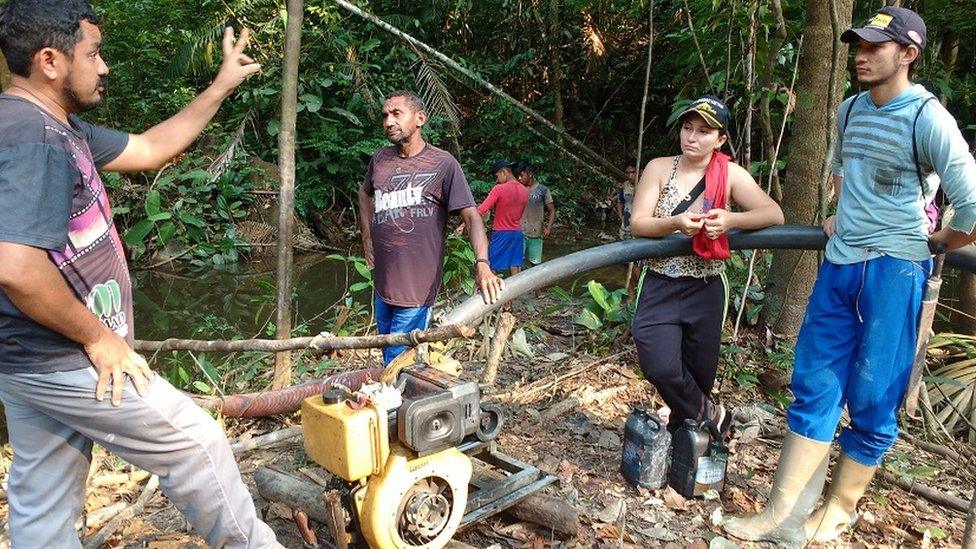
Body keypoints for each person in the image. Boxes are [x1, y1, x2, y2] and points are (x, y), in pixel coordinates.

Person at [0, 1, 280, 547]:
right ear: (51, 61)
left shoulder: (55, 127)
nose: (103, 67)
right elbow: (16, 267)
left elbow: (152, 148)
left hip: (26, 359)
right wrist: (98, 337)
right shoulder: (33, 139)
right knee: (198, 444)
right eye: (94, 54)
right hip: (66, 359)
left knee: (44, 507)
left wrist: (221, 84)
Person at [724, 7, 976, 545]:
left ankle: (836, 510)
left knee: (874, 394)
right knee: (814, 384)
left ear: (907, 54)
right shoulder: (849, 110)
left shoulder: (927, 117)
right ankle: (783, 516)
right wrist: (843, 211)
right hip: (840, 265)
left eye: (875, 47)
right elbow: (844, 174)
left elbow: (971, 198)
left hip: (895, 269)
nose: (861, 56)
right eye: (858, 46)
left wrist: (945, 242)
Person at [629, 96, 783, 434]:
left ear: (720, 140)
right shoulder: (658, 167)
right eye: (687, 128)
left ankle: (688, 446)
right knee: (660, 366)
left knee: (699, 373)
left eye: (703, 131)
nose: (692, 137)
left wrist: (731, 219)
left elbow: (773, 213)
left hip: (706, 285)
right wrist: (674, 223)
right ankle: (712, 415)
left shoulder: (729, 173)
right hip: (660, 279)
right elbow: (638, 224)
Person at [359, 91, 503, 365]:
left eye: (396, 114)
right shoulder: (379, 160)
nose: (388, 121)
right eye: (385, 115)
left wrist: (482, 263)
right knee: (387, 352)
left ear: (420, 119)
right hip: (383, 284)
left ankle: (397, 404)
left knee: (397, 361)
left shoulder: (443, 163)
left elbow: (472, 217)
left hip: (417, 289)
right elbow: (364, 194)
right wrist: (366, 236)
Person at [476, 159, 529, 276]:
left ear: (503, 172)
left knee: (490, 265)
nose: (496, 180)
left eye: (497, 176)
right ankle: (516, 294)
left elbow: (482, 209)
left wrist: (463, 224)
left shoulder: (499, 189)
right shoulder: (525, 190)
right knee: (515, 266)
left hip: (501, 233)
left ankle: (492, 292)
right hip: (517, 233)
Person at [515, 161, 555, 268]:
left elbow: (552, 211)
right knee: (517, 263)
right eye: (518, 176)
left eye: (521, 175)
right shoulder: (518, 189)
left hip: (536, 233)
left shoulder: (543, 190)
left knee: (536, 264)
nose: (519, 178)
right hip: (519, 232)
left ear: (530, 174)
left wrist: (548, 228)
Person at [616, 158, 638, 238]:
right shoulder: (625, 186)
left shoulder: (644, 185)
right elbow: (620, 202)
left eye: (633, 172)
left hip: (639, 224)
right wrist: (620, 216)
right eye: (627, 173)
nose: (630, 176)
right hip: (626, 224)